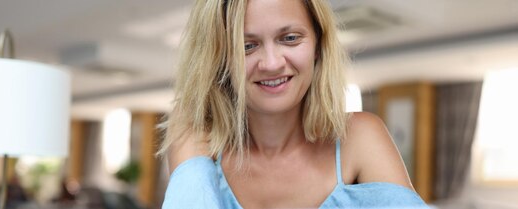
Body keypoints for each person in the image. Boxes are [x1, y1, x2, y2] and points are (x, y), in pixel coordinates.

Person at [158, 0, 429, 208]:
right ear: (220, 60)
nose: (272, 63)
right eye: (247, 46)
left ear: (318, 45)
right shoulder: (194, 133)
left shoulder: (359, 137)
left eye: (290, 38)